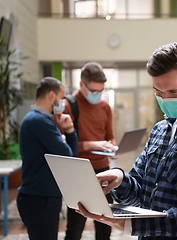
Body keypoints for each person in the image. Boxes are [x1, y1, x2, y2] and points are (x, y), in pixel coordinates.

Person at [76, 42, 177, 239]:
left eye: (173, 92)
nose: (165, 99)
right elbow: (141, 192)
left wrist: (129, 225)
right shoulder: (161, 129)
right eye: (158, 92)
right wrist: (119, 179)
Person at [54, 62, 117, 240]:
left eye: (101, 91)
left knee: (105, 226)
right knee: (75, 228)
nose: (97, 95)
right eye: (94, 91)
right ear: (82, 84)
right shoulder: (67, 106)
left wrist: (111, 146)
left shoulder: (105, 107)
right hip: (78, 171)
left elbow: (110, 136)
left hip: (104, 170)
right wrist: (94, 145)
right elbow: (62, 145)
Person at [17, 77, 78, 240]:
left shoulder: (37, 119)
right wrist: (70, 129)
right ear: (52, 96)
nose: (63, 102)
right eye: (62, 96)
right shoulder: (39, 121)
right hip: (41, 198)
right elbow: (69, 155)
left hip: (39, 196)